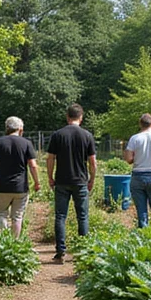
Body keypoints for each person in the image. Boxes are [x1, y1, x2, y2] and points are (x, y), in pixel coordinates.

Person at [46, 104, 97, 263]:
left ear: (67, 117)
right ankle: (83, 251)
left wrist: (50, 177)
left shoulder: (57, 135)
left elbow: (50, 158)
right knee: (82, 216)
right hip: (81, 181)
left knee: (60, 216)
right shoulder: (87, 135)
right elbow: (92, 162)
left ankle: (61, 251)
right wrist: (92, 179)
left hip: (61, 180)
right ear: (81, 118)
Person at [0, 116, 41, 237]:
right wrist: (37, 182)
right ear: (20, 129)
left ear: (7, 128)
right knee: (17, 216)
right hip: (21, 186)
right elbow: (33, 165)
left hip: (2, 185)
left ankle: (5, 233)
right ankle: (15, 242)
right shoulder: (26, 143)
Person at [124, 113, 151, 227]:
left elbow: (128, 159)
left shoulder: (134, 138)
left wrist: (138, 157)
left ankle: (144, 238)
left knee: (142, 212)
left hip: (138, 176)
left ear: (140, 124)